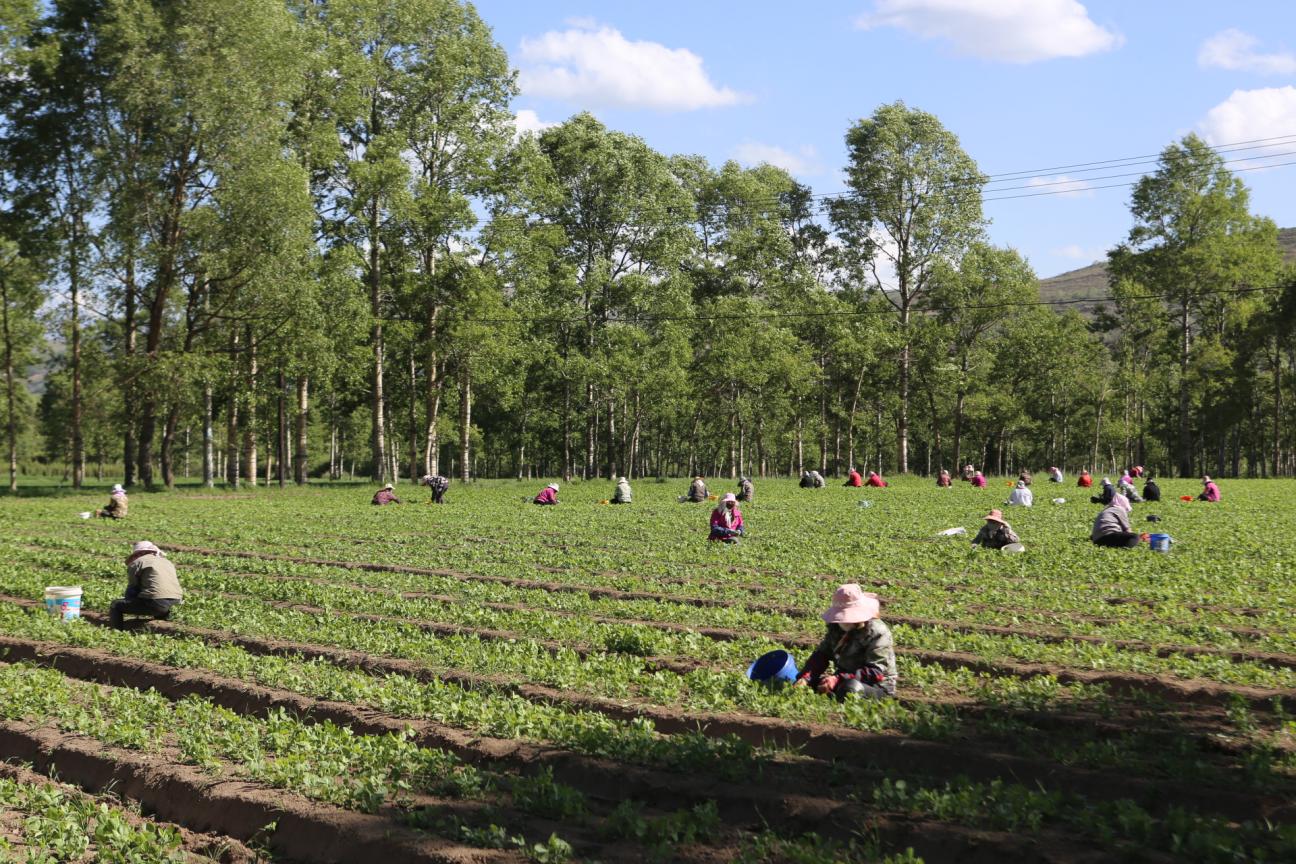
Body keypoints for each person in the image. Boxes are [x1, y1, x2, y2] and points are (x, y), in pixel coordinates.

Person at [794, 584, 896, 700]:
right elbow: (822, 655)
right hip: (844, 677)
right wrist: (806, 678)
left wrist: (837, 679)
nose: (844, 622)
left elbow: (875, 672)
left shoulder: (877, 632)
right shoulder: (836, 628)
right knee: (813, 682)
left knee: (851, 688)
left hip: (876, 685)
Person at [109, 541, 183, 629]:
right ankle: (161, 624)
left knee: (115, 605)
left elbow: (132, 589)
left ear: (141, 553)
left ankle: (116, 631)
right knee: (157, 598)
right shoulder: (167, 562)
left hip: (156, 604)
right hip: (176, 603)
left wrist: (129, 604)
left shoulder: (137, 562)